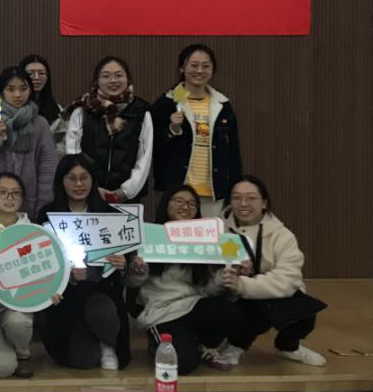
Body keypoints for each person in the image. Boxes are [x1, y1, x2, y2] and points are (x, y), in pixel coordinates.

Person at [35, 155, 147, 370]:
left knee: (103, 313)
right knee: (83, 360)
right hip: (65, 299)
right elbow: (42, 262)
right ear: (61, 181)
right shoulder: (47, 215)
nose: (79, 184)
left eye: (84, 177)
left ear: (93, 180)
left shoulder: (111, 215)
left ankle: (107, 344)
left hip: (102, 293)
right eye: (72, 178)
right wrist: (67, 275)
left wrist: (124, 264)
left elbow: (129, 270)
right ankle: (91, 338)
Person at [134, 184, 248, 374]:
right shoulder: (149, 235)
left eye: (192, 204)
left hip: (193, 304)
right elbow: (130, 283)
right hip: (161, 311)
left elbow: (207, 289)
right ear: (166, 204)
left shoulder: (203, 240)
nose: (185, 207)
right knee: (184, 365)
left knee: (230, 312)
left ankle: (201, 343)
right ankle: (161, 343)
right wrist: (138, 270)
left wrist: (227, 275)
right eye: (179, 201)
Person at [221, 175, 326, 367]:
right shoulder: (218, 230)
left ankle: (288, 346)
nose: (243, 203)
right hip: (231, 296)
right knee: (229, 310)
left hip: (267, 292)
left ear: (264, 203)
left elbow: (288, 279)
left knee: (305, 309)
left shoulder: (282, 235)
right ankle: (234, 345)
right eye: (236, 197)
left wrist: (244, 284)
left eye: (251, 198)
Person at [151, 44, 242, 218]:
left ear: (213, 70)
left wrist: (234, 189)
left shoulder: (222, 105)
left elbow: (233, 152)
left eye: (206, 66)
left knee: (211, 236)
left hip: (213, 194)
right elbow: (154, 147)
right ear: (182, 68)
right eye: (194, 65)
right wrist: (172, 129)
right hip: (175, 192)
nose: (199, 71)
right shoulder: (167, 103)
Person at [0, 67, 57, 220]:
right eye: (11, 89)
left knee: (23, 235)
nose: (18, 94)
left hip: (27, 201)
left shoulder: (40, 123)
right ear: (2, 91)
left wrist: (43, 206)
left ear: (30, 91)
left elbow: (47, 168)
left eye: (23, 89)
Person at [0, 172, 42, 378]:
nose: (9, 198)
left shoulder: (35, 232)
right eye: (3, 192)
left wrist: (50, 290)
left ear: (22, 198)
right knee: (2, 368)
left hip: (18, 306)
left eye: (15, 193)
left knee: (18, 323)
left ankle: (23, 353)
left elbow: (46, 271)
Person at [63, 56, 154, 204]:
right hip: (86, 194)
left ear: (128, 79)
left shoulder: (141, 112)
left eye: (119, 75)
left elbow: (144, 158)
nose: (113, 81)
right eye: (106, 76)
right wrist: (91, 188)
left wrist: (124, 192)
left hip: (127, 198)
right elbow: (73, 154)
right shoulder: (82, 111)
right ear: (97, 81)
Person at [20, 54, 66, 155]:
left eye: (41, 73)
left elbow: (64, 142)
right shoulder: (11, 107)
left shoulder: (57, 109)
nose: (36, 77)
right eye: (30, 73)